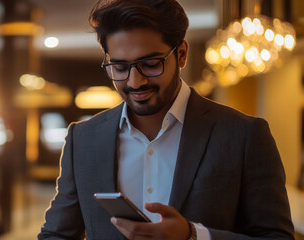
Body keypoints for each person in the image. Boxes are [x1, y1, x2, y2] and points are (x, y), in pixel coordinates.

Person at [38, 0, 294, 239]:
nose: (135, 82)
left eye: (150, 64)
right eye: (120, 67)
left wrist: (192, 235)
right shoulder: (83, 139)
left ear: (181, 54)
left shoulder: (244, 135)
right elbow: (56, 234)